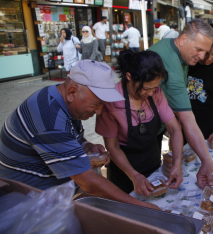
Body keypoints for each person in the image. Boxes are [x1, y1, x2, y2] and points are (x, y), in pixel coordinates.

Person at [0, 60, 160, 210]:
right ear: (72, 92)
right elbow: (88, 183)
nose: (99, 111)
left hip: (51, 196)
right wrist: (142, 207)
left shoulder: (62, 100)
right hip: (26, 203)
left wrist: (85, 145)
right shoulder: (50, 118)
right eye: (96, 104)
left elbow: (69, 135)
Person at [96, 50, 183, 196]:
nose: (151, 93)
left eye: (155, 88)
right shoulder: (112, 100)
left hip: (152, 163)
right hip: (124, 171)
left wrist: (177, 162)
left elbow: (174, 129)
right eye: (147, 88)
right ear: (129, 76)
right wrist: (134, 175)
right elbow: (113, 146)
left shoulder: (156, 93)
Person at [148, 19, 213, 189]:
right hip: (141, 134)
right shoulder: (171, 66)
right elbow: (188, 122)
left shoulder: (171, 45)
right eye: (199, 49)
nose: (202, 57)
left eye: (205, 52)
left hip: (153, 127)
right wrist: (207, 161)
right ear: (183, 39)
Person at [187, 24, 213, 146]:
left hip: (207, 126)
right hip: (185, 122)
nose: (208, 58)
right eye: (206, 53)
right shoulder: (189, 63)